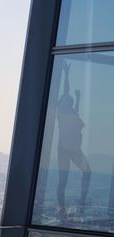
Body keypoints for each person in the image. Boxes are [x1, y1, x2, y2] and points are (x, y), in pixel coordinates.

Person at [57, 61, 91, 216]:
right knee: (63, 179)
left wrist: (78, 99)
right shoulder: (62, 112)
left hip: (74, 149)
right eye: (68, 100)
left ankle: (81, 199)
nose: (69, 100)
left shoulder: (70, 113)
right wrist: (66, 74)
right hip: (65, 149)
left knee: (87, 172)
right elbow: (65, 91)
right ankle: (62, 207)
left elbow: (75, 113)